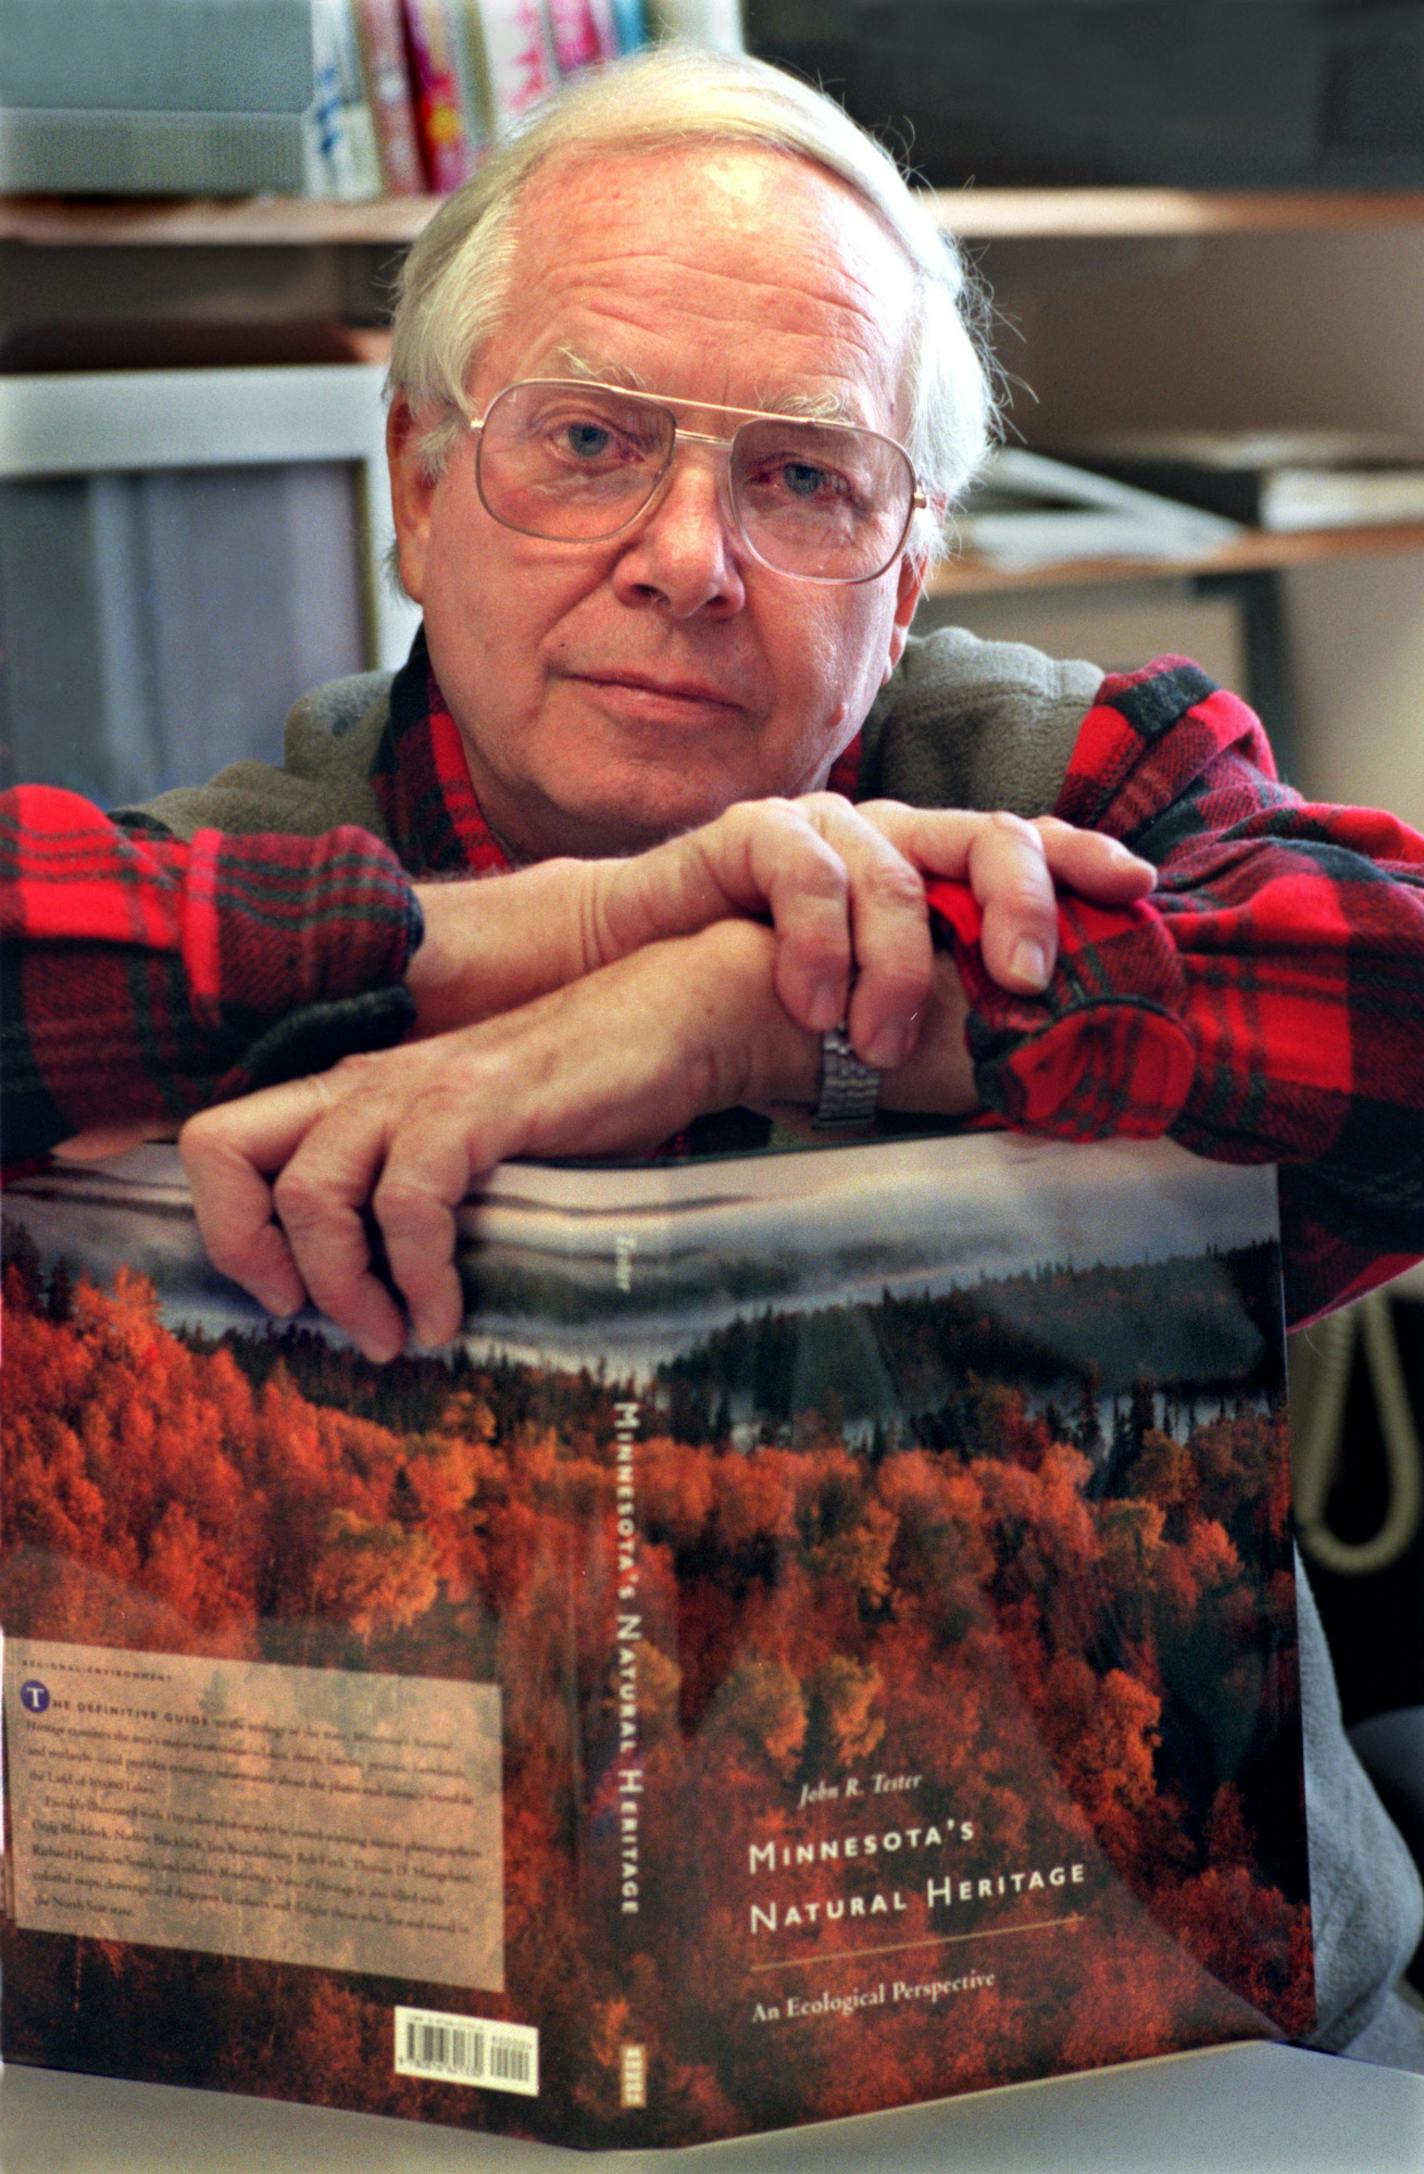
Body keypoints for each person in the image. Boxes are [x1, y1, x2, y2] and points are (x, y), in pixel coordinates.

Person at [3, 44, 1423, 2070]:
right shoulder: (229, 888)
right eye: (587, 440)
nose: (688, 555)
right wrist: (532, 943)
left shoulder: (1069, 791)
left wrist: (785, 1009)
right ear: (416, 486)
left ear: (909, 574)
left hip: (1175, 2039)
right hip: (397, 2064)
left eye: (803, 478)